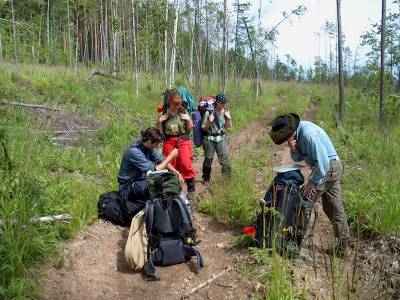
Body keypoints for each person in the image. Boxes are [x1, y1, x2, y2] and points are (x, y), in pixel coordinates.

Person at [269, 113, 350, 257]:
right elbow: (301, 158)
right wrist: (293, 149)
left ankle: (294, 242)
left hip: (329, 167)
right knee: (333, 206)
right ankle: (344, 247)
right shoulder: (298, 135)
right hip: (330, 167)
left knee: (303, 202)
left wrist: (312, 182)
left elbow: (323, 163)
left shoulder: (308, 135)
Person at [118, 127, 184, 202]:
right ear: (149, 142)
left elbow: (162, 160)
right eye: (156, 144)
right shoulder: (134, 152)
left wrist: (177, 173)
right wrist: (170, 157)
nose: (157, 147)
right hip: (127, 187)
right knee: (161, 184)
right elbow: (153, 170)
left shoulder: (147, 147)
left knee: (169, 177)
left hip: (141, 181)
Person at [157, 91, 197, 200]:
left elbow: (189, 129)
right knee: (170, 164)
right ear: (170, 102)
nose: (177, 106)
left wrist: (188, 119)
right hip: (169, 141)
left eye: (178, 104)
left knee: (185, 163)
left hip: (183, 140)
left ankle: (191, 188)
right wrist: (160, 122)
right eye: (175, 104)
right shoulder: (164, 113)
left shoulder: (183, 112)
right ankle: (173, 190)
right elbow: (160, 133)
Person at [201, 93, 232, 184]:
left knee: (224, 159)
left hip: (221, 138)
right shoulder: (209, 112)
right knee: (208, 159)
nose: (223, 104)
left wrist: (229, 118)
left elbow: (227, 126)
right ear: (217, 102)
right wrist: (209, 122)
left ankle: (227, 179)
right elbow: (203, 128)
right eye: (221, 102)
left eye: (224, 103)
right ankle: (206, 178)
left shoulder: (226, 111)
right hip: (210, 138)